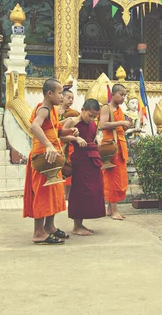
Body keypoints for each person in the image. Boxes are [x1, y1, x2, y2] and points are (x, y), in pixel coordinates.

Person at [23, 78, 79, 245]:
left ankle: (50, 226)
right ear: (49, 94)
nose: (62, 96)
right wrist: (48, 145)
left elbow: (55, 130)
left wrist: (70, 131)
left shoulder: (52, 110)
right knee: (43, 194)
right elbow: (34, 127)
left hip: (52, 157)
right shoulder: (44, 109)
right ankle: (39, 233)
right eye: (60, 93)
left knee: (53, 193)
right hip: (43, 157)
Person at [62, 99, 105, 236]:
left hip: (92, 159)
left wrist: (97, 138)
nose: (91, 119)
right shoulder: (72, 121)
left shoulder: (93, 124)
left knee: (93, 190)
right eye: (89, 115)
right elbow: (61, 137)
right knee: (80, 191)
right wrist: (75, 139)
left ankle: (82, 223)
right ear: (82, 110)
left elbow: (92, 137)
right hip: (80, 160)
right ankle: (76, 226)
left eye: (94, 116)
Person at [100, 84, 132, 221]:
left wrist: (125, 126)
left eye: (125, 95)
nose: (123, 97)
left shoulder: (119, 110)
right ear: (113, 94)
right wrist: (121, 123)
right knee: (113, 179)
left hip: (120, 144)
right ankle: (114, 211)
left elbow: (119, 129)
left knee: (120, 177)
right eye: (121, 94)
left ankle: (109, 208)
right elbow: (103, 125)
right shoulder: (107, 107)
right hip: (110, 146)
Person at [59, 88, 80, 200]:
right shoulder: (54, 111)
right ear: (62, 98)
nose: (71, 100)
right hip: (57, 143)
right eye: (68, 97)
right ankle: (60, 195)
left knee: (69, 170)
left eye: (72, 98)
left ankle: (68, 196)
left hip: (70, 145)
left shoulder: (74, 113)